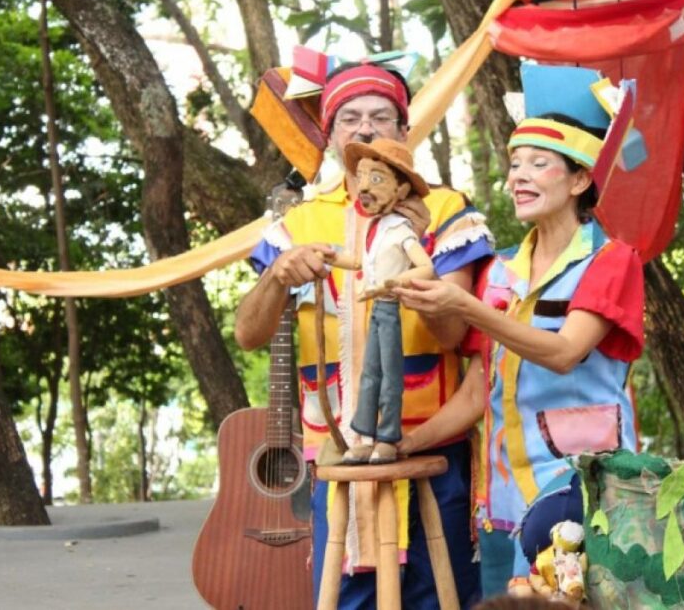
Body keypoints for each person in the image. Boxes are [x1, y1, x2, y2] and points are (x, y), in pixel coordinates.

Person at [236, 60, 492, 609]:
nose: (366, 129)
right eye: (349, 119)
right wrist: (279, 276)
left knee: (436, 597)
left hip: (433, 451)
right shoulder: (298, 224)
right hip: (336, 454)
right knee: (350, 597)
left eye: (381, 117)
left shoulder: (444, 210)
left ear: (405, 131)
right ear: (331, 137)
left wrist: (419, 276)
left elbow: (453, 337)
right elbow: (248, 334)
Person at [394, 111, 645, 597]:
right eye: (514, 164)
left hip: (582, 483)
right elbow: (474, 393)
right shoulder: (499, 269)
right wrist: (402, 446)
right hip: (502, 497)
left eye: (537, 163)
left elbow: (565, 352)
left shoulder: (612, 260)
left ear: (579, 179)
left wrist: (467, 306)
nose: (518, 176)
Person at [343, 139, 435, 465]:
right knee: (370, 375)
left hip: (388, 308)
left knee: (390, 376)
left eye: (377, 179)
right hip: (375, 312)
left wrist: (392, 283)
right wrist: (326, 257)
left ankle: (387, 436)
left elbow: (426, 267)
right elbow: (360, 263)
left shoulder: (400, 229)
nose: (364, 187)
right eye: (362, 177)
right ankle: (364, 436)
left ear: (401, 190)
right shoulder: (374, 227)